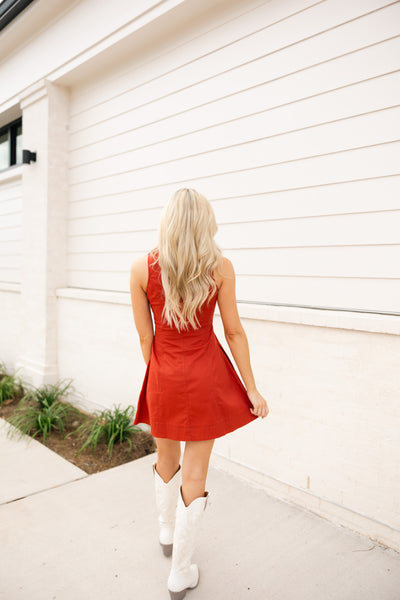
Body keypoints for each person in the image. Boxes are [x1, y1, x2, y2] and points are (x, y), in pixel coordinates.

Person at [129, 188, 269, 599]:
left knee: (166, 456)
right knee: (196, 472)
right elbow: (234, 331)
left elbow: (144, 337)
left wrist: (160, 378)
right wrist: (252, 389)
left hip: (163, 374)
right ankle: (180, 572)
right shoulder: (221, 267)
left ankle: (167, 530)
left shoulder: (141, 268)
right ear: (205, 223)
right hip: (206, 375)